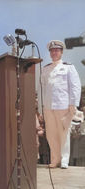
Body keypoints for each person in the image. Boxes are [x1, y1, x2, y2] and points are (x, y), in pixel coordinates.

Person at [38, 40, 81, 169]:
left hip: (63, 106)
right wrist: (41, 109)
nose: (54, 53)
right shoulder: (45, 69)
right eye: (52, 51)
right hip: (48, 107)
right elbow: (41, 90)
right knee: (51, 135)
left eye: (56, 50)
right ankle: (55, 160)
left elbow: (76, 87)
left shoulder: (68, 67)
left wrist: (73, 104)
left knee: (64, 134)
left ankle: (64, 160)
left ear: (61, 52)